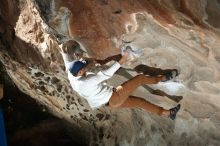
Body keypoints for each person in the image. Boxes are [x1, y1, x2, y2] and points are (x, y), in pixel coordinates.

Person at [60, 41, 181, 120]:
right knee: (139, 79)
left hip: (111, 104)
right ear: (80, 72)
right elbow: (106, 74)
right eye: (83, 67)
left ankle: (169, 114)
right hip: (114, 97)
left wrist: (64, 49)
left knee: (141, 102)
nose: (85, 66)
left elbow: (67, 62)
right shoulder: (86, 82)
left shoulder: (72, 77)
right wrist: (123, 59)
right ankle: (163, 78)